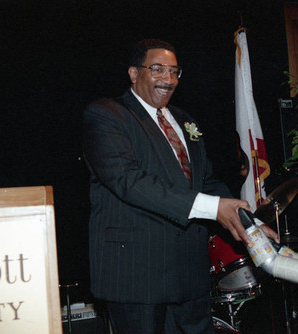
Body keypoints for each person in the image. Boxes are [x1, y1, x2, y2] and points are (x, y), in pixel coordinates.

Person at [83, 38, 278, 334]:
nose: (169, 79)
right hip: (137, 277)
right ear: (134, 74)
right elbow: (129, 181)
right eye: (158, 69)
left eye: (174, 72)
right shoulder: (107, 115)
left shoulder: (185, 120)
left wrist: (248, 224)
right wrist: (215, 208)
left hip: (190, 277)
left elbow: (207, 181)